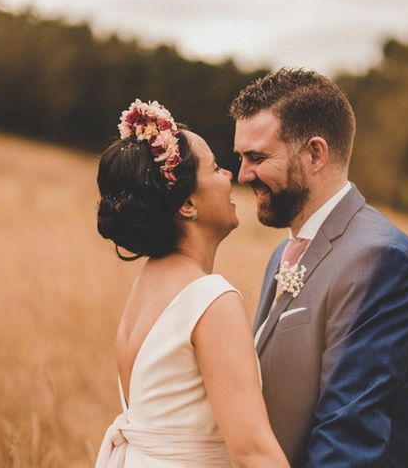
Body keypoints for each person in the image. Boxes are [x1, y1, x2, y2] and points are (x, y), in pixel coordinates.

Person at [230, 69, 408, 467]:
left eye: (257, 157)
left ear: (315, 153)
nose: (243, 175)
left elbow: (349, 440)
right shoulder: (283, 253)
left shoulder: (380, 258)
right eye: (240, 158)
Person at [94, 99, 289, 468]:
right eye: (215, 168)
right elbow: (253, 453)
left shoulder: (147, 285)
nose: (229, 176)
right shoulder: (210, 299)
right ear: (187, 204)